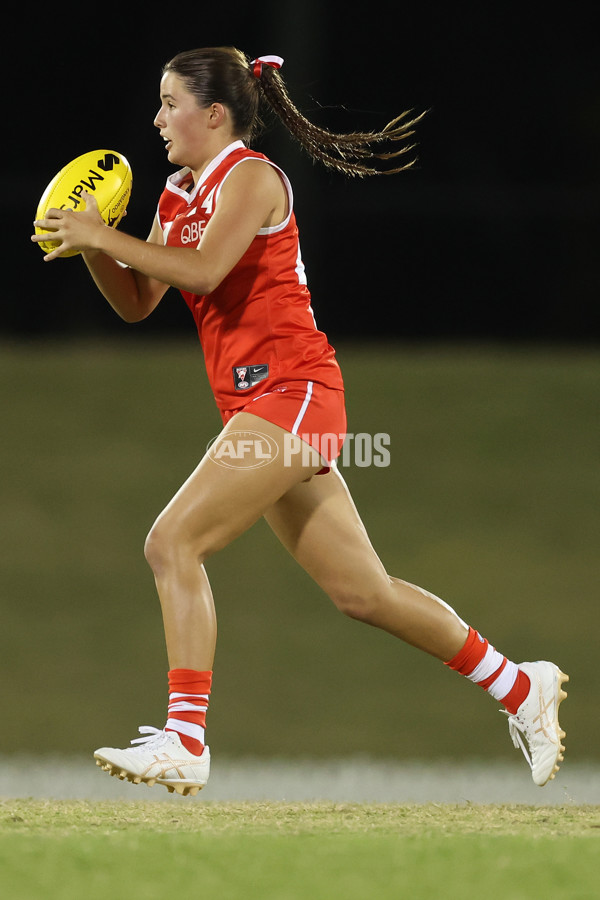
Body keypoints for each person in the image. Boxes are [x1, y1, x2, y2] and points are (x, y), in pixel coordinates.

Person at [32, 47, 568, 797]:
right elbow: (138, 301)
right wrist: (88, 242)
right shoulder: (178, 192)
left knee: (172, 541)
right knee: (363, 593)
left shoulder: (249, 178)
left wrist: (101, 236)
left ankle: (186, 737)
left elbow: (205, 272)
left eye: (169, 103)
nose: (157, 119)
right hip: (258, 404)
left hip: (296, 393)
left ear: (213, 114)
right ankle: (519, 686)